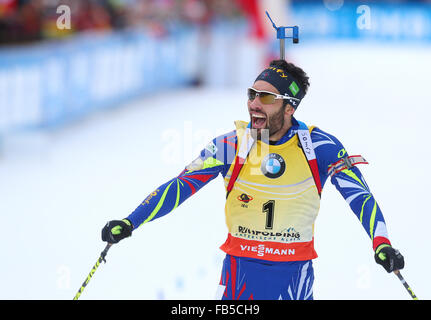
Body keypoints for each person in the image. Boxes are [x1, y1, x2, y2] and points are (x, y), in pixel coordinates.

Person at [101, 59, 404, 300]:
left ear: (290, 106)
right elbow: (181, 186)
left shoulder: (320, 147)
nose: (254, 103)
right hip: (238, 279)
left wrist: (382, 243)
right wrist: (130, 222)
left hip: (293, 280)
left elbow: (360, 196)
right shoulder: (230, 145)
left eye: (266, 97)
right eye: (251, 94)